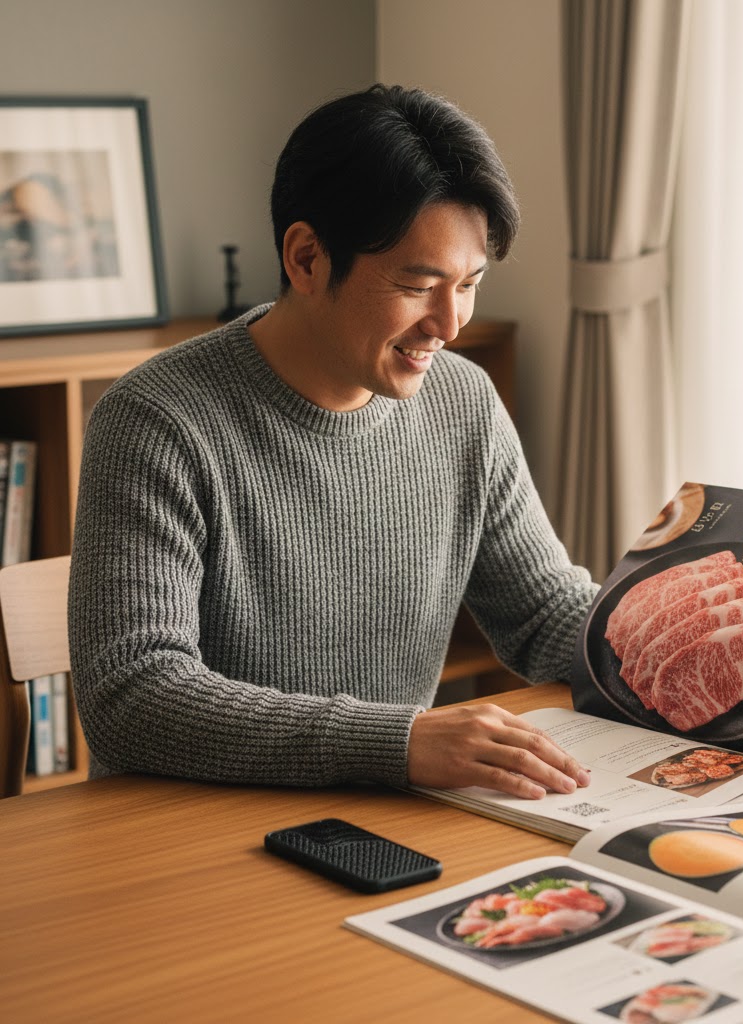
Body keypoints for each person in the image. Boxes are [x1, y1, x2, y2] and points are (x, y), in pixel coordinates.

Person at [68, 84, 598, 800]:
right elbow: (132, 698)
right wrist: (398, 741)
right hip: (190, 838)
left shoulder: (463, 401)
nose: (450, 324)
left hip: (381, 813)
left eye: (469, 284)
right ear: (307, 258)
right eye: (419, 285)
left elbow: (544, 617)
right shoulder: (157, 422)